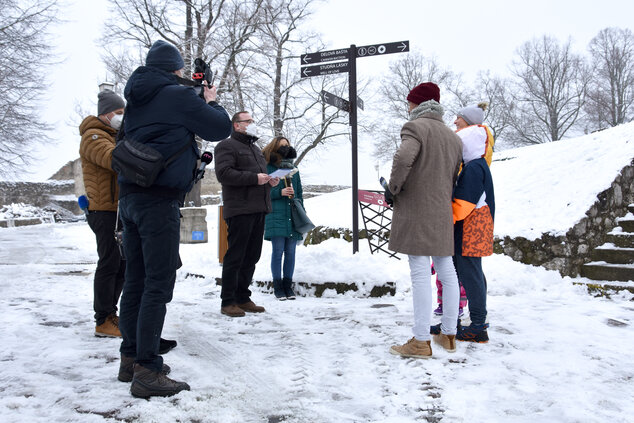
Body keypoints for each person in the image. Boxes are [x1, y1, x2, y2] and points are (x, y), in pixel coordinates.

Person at [117, 40, 232, 398]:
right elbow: (219, 128)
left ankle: (131, 357)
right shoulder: (176, 96)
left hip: (131, 197)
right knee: (158, 282)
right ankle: (148, 370)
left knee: (135, 280)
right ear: (175, 69)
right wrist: (208, 100)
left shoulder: (137, 99)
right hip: (159, 199)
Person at [386, 82, 463, 359]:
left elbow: (403, 158)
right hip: (442, 211)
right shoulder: (453, 137)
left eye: (409, 102)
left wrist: (393, 188)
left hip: (417, 210)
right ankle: (449, 334)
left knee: (420, 273)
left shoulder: (414, 128)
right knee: (447, 271)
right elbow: (453, 176)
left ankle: (420, 341)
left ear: (417, 104)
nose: (408, 107)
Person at [214, 112, 280, 317]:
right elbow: (223, 174)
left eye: (252, 121)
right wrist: (254, 178)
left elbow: (260, 178)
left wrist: (270, 181)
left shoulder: (255, 149)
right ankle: (228, 301)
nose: (252, 124)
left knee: (252, 256)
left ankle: (243, 297)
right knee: (236, 255)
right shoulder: (226, 146)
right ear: (236, 125)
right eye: (248, 121)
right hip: (240, 209)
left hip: (259, 208)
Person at [447, 105, 496, 343]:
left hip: (471, 226)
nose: (455, 121)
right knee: (470, 272)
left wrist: (445, 219)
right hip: (472, 225)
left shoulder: (474, 166)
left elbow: (464, 202)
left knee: (471, 273)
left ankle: (478, 326)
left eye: (459, 119)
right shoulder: (474, 163)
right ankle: (466, 322)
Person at [79, 89, 126, 338]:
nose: (122, 117)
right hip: (104, 210)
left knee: (122, 263)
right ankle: (102, 319)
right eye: (119, 113)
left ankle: (111, 313)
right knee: (109, 262)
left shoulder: (113, 135)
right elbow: (113, 159)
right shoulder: (94, 136)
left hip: (117, 209)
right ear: (106, 114)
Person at [262, 137, 304, 300]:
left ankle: (288, 286)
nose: (286, 148)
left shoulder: (294, 169)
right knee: (278, 252)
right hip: (275, 214)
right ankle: (278, 287)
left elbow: (300, 194)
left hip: (292, 215)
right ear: (275, 148)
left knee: (291, 252)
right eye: (282, 146)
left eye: (287, 145)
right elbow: (262, 192)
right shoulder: (267, 167)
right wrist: (279, 192)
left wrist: (302, 215)